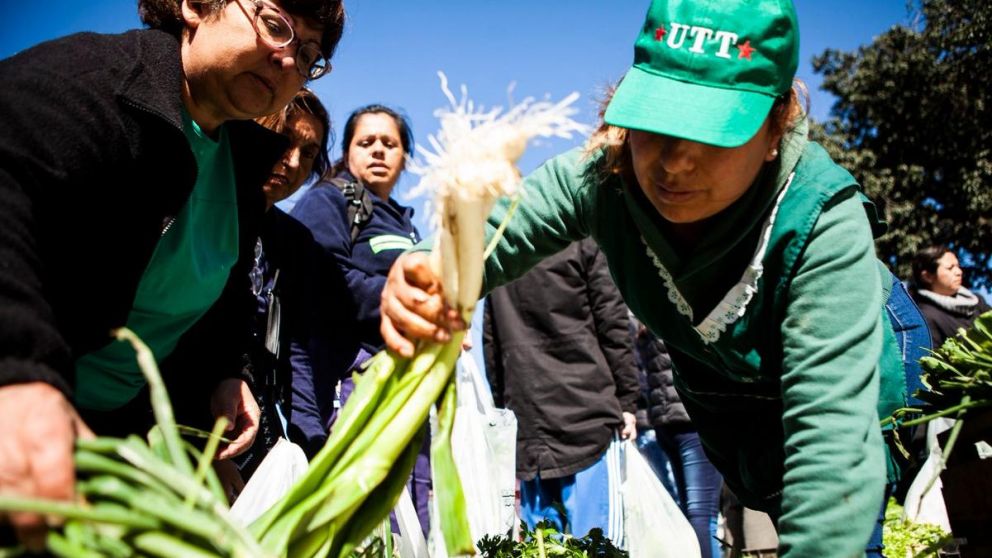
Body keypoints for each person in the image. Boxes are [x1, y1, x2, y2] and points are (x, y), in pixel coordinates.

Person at [378, 0, 929, 555]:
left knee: (836, 517)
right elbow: (496, 231)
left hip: (853, 353)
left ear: (775, 128)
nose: (674, 162)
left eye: (715, 133)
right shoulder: (605, 175)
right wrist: (430, 270)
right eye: (656, 123)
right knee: (770, 490)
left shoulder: (822, 222)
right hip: (729, 381)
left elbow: (833, 442)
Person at [0, 0, 344, 548]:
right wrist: (20, 375)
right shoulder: (92, 86)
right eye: (274, 26)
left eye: (308, 55)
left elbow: (224, 285)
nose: (287, 61)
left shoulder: (241, 159)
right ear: (195, 6)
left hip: (121, 425)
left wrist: (225, 372)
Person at [287, 105, 429, 531]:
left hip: (409, 391)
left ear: (404, 156)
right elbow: (321, 273)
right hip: (353, 383)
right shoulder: (331, 200)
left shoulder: (408, 226)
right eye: (366, 142)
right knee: (364, 519)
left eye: (390, 143)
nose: (378, 151)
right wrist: (403, 303)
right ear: (347, 152)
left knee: (412, 516)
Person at [482, 238, 640, 539]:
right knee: (598, 544)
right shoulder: (581, 239)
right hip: (587, 417)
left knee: (540, 547)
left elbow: (491, 346)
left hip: (529, 425)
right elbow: (612, 322)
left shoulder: (501, 252)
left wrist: (508, 414)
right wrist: (627, 400)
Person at [229, 88, 331, 485]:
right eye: (285, 140)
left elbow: (296, 349)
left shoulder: (293, 241)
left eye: (308, 153)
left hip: (260, 419)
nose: (292, 162)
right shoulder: (209, 211)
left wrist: (312, 442)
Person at [634, 320, 722, 558]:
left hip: (665, 422)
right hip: (692, 420)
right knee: (703, 515)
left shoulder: (646, 321)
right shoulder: (677, 313)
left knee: (689, 513)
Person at [910, 245, 990, 348]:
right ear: (928, 276)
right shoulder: (926, 318)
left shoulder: (977, 301)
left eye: (958, 266)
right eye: (950, 268)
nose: (959, 272)